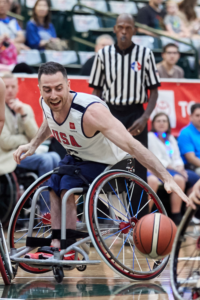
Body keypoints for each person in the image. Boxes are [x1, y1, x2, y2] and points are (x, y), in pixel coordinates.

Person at [13, 62, 193, 260]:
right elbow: (50, 120)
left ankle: (70, 248)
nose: (53, 95)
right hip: (79, 158)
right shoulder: (46, 101)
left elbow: (133, 146)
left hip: (112, 162)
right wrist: (33, 144)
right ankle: (58, 244)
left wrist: (165, 176)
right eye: (47, 90)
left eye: (58, 88)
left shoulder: (91, 112)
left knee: (66, 183)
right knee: (54, 182)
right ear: (40, 89)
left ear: (68, 84)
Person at [89, 13, 160, 219]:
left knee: (139, 168)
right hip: (109, 113)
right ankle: (101, 222)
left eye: (128, 28)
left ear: (134, 30)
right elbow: (96, 92)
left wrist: (145, 117)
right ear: (114, 29)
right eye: (120, 27)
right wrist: (96, 117)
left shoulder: (145, 55)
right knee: (104, 166)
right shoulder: (103, 55)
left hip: (136, 114)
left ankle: (139, 223)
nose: (124, 31)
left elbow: (154, 91)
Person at [0, 73, 60, 213]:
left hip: (25, 153)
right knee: (45, 160)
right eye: (6, 86)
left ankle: (57, 208)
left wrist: (24, 115)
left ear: (17, 88)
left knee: (55, 157)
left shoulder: (25, 108)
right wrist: (26, 140)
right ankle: (46, 212)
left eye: (12, 86)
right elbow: (5, 142)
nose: (9, 90)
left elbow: (36, 137)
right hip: (8, 156)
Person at [147, 112, 199, 225]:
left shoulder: (169, 138)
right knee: (174, 179)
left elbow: (176, 157)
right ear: (153, 123)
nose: (162, 123)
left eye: (164, 121)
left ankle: (184, 215)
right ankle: (147, 216)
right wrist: (178, 170)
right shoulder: (150, 137)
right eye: (158, 121)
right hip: (156, 169)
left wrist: (180, 167)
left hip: (172, 169)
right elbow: (157, 159)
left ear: (168, 124)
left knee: (189, 178)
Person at [178, 103, 200, 177]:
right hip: (194, 168)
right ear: (191, 117)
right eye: (197, 115)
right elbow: (191, 158)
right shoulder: (185, 133)